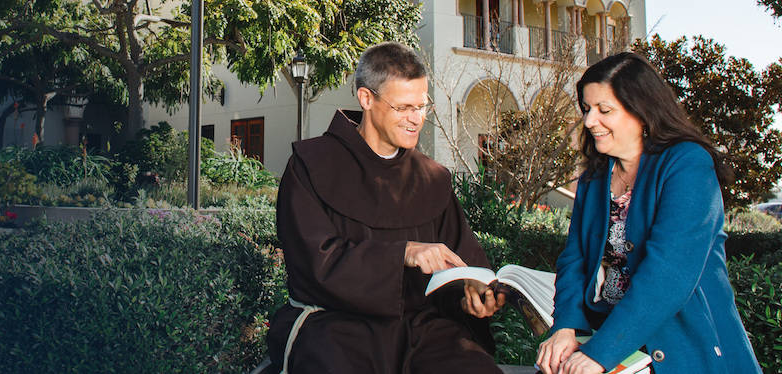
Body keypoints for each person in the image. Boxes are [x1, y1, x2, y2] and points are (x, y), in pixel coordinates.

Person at [264, 42, 506, 374]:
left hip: (421, 329)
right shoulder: (311, 165)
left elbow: (461, 263)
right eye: (404, 107)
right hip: (336, 326)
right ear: (367, 99)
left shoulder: (432, 178)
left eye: (422, 106)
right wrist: (402, 253)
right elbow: (314, 265)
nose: (417, 120)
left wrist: (471, 294)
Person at [536, 52, 761, 374]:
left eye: (604, 110)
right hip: (614, 332)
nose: (588, 121)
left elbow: (669, 275)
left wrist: (600, 353)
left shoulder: (688, 164)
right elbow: (575, 258)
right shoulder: (595, 176)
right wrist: (566, 327)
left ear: (642, 111)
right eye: (586, 109)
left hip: (685, 343)